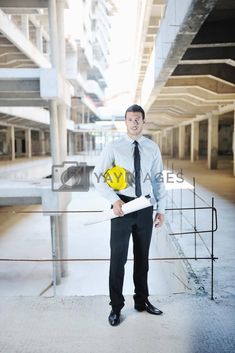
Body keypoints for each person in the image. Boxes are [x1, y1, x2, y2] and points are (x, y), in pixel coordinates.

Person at [93, 104, 166, 326]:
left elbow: (157, 179)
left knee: (142, 259)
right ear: (125, 122)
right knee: (118, 259)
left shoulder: (152, 148)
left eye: (138, 119)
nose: (134, 122)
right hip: (121, 207)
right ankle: (116, 307)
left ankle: (142, 301)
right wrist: (114, 200)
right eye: (130, 119)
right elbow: (98, 177)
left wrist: (161, 209)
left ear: (143, 121)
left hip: (144, 206)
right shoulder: (114, 147)